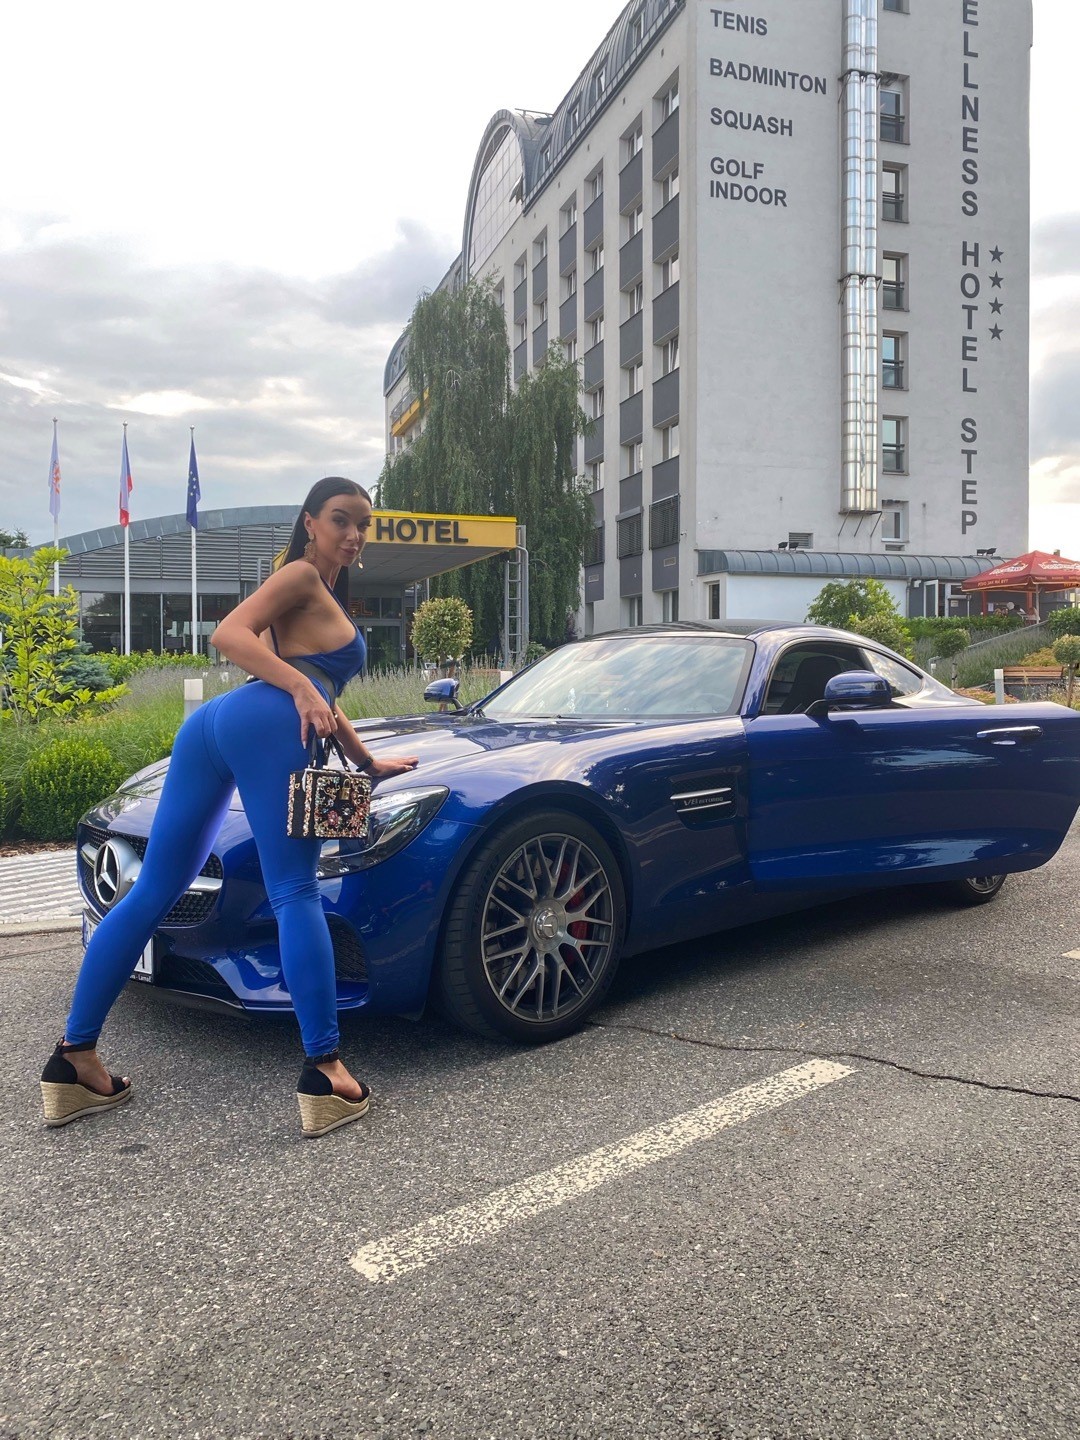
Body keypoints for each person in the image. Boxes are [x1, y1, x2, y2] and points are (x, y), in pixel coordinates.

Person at [40, 478, 418, 1138]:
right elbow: (230, 634)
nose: (355, 534)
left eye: (364, 523)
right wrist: (301, 688)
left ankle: (74, 1060)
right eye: (341, 519)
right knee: (295, 890)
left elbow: (322, 697)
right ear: (310, 522)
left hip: (217, 725)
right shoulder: (300, 574)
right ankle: (326, 1072)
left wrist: (365, 760)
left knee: (154, 888)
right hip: (268, 724)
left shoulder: (320, 590)